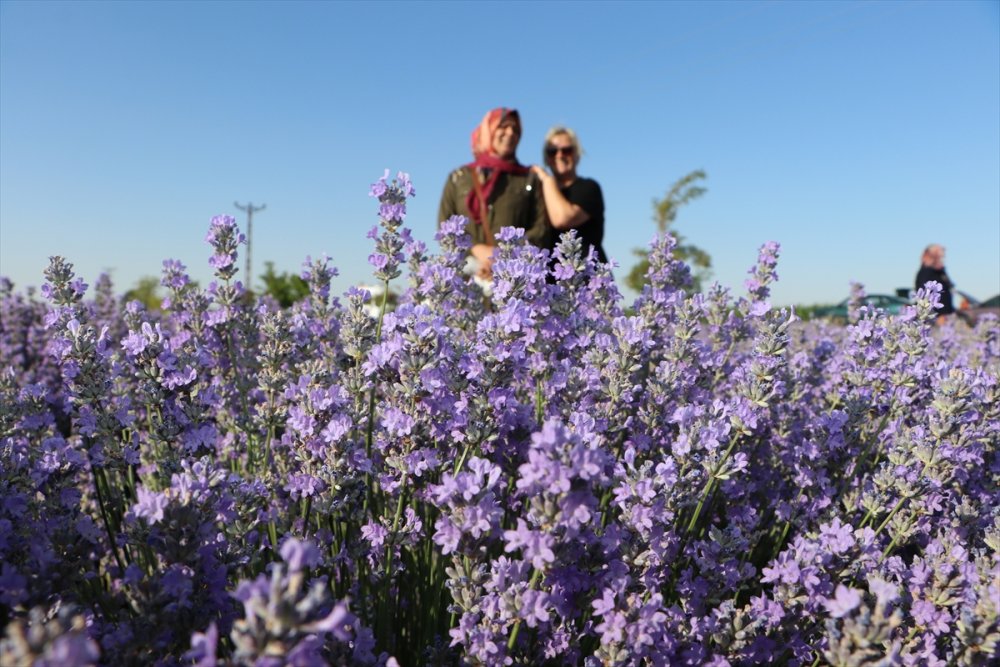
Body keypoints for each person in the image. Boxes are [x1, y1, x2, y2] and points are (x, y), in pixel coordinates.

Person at [438, 108, 549, 283]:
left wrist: (505, 254)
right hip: (468, 279)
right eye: (503, 126)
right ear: (488, 129)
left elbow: (541, 227)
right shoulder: (459, 177)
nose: (510, 133)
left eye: (516, 129)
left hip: (514, 279)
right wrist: (476, 249)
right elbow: (444, 224)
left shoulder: (529, 178)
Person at [530, 126, 607, 264]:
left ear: (577, 154)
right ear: (546, 158)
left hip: (588, 277)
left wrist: (547, 180)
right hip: (551, 280)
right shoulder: (539, 193)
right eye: (552, 151)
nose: (559, 155)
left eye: (567, 150)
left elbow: (562, 219)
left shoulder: (589, 187)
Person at [915, 244, 956, 321]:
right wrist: (939, 315)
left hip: (945, 314)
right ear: (932, 256)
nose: (942, 259)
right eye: (939, 257)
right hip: (936, 316)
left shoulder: (939, 271)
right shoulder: (926, 271)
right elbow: (923, 293)